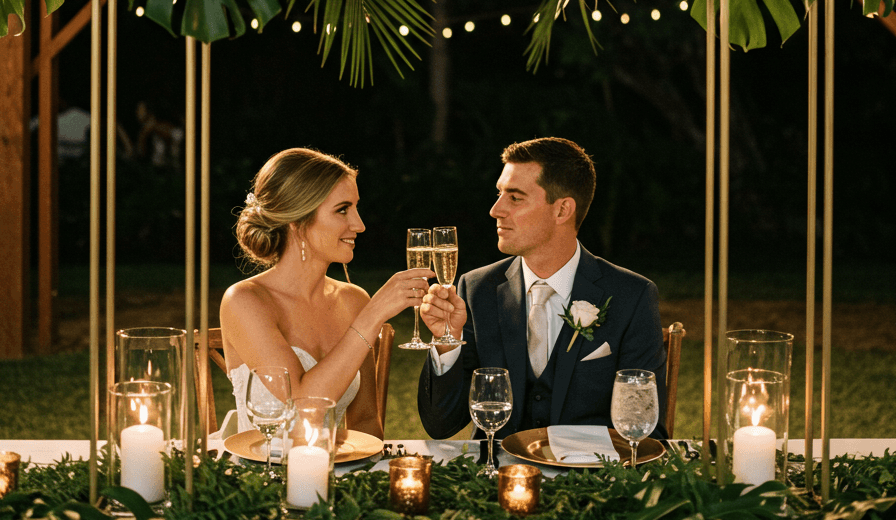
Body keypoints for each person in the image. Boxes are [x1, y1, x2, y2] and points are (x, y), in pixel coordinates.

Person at [417, 136, 667, 440]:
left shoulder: (632, 296)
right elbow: (441, 425)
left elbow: (648, 433)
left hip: (588, 480)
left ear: (562, 210)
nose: (495, 210)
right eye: (499, 194)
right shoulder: (476, 289)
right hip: (496, 481)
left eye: (515, 197)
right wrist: (447, 342)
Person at [221, 147, 433, 438]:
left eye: (356, 208)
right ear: (297, 221)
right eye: (342, 209)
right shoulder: (245, 301)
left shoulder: (354, 300)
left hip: (334, 475)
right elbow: (303, 408)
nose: (359, 225)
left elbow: (366, 421)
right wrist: (373, 317)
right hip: (261, 476)